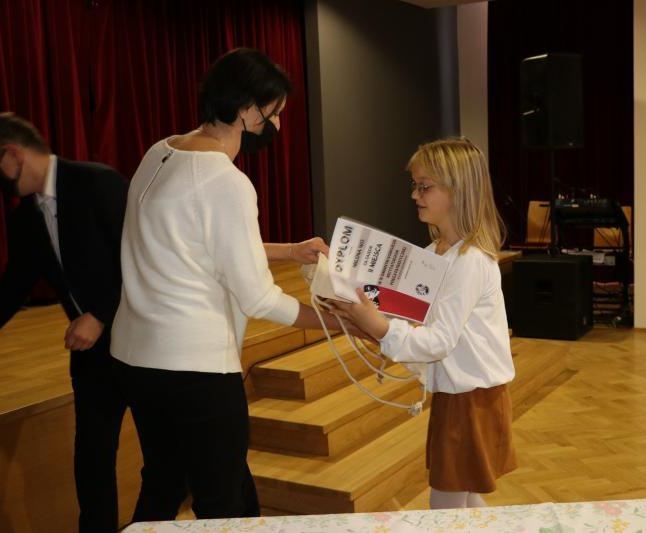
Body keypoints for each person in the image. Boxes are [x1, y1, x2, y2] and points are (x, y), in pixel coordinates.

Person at [109, 47, 352, 521]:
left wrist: (289, 251)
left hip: (137, 359)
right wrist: (335, 321)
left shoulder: (161, 151)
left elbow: (197, 246)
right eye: (273, 113)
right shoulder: (226, 181)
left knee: (163, 484)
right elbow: (258, 297)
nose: (276, 125)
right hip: (194, 369)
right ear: (245, 110)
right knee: (223, 504)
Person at [329, 138, 518, 509]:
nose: (415, 195)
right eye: (415, 185)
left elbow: (439, 341)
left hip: (472, 399)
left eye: (425, 186)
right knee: (464, 497)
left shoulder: (470, 261)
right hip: (458, 395)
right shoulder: (434, 254)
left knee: (446, 505)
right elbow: (405, 316)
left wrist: (379, 327)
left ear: (458, 191)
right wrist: (352, 300)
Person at [0, 112, 129, 532]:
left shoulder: (98, 182)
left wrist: (99, 315)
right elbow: (10, 291)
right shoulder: (25, 217)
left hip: (142, 343)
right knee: (92, 464)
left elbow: (143, 257)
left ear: (12, 155)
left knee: (165, 453)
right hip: (91, 357)